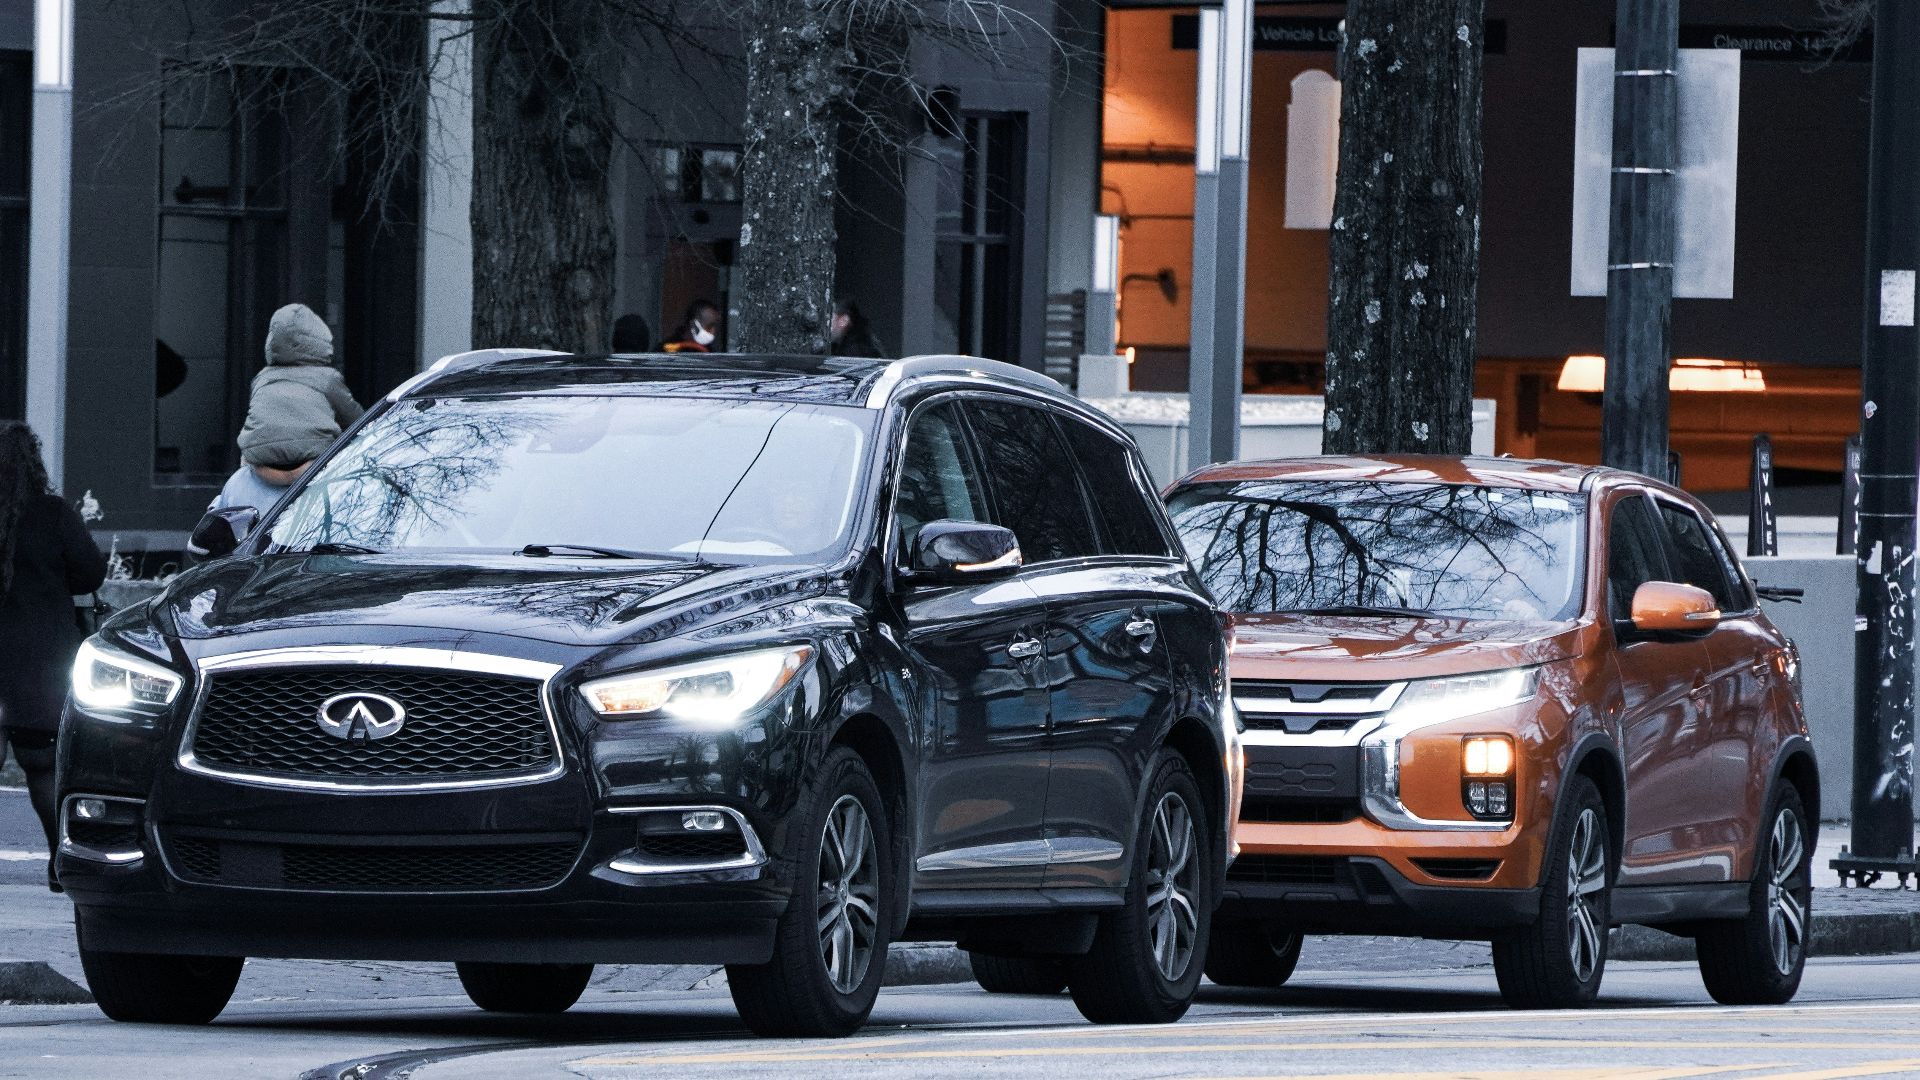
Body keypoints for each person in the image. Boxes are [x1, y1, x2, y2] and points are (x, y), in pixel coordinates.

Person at [0, 421, 108, 893]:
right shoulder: (53, 514)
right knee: (42, 770)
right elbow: (89, 575)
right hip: (38, 662)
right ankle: (55, 862)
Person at [213, 303, 362, 513]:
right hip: (312, 464)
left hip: (260, 464)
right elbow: (358, 422)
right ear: (320, 341)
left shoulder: (262, 378)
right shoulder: (328, 378)